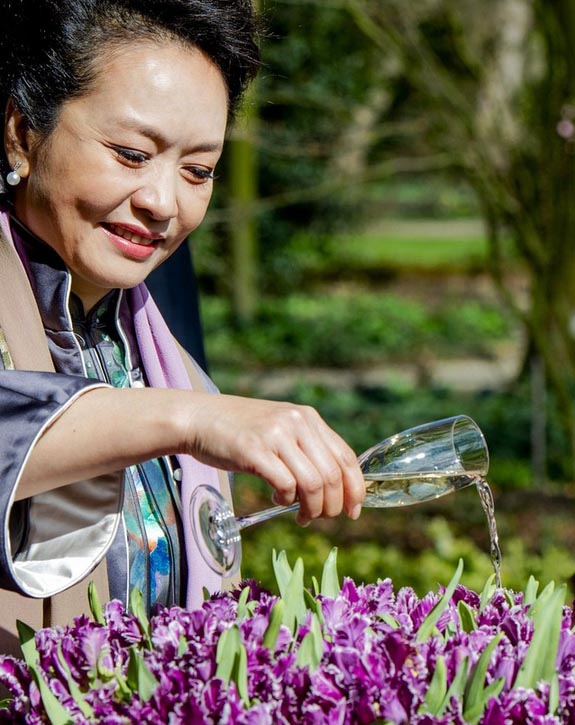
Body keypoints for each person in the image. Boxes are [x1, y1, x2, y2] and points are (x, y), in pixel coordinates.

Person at [0, 0, 365, 654]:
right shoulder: (188, 404)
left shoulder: (175, 367)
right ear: (22, 132)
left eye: (197, 171)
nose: (164, 203)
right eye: (131, 154)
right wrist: (188, 420)